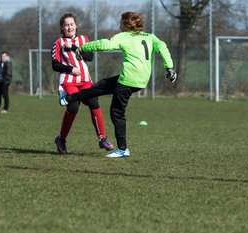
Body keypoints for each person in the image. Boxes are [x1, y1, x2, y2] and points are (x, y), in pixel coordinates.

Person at [59, 11, 178, 158]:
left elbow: (105, 44)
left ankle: (122, 149)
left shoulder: (124, 37)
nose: (119, 25)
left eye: (121, 22)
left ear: (126, 25)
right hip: (140, 80)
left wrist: (84, 47)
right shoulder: (150, 37)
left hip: (128, 80)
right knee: (100, 86)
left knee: (116, 112)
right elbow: (163, 47)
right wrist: (170, 68)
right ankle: (68, 98)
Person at [51, 13, 114, 154]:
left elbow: (89, 57)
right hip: (68, 81)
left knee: (93, 102)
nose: (69, 27)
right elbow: (55, 65)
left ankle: (102, 138)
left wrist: (73, 47)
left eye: (71, 24)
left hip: (85, 81)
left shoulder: (83, 39)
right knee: (73, 107)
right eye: (66, 25)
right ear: (62, 27)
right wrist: (70, 69)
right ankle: (61, 139)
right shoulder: (58, 43)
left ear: (76, 26)